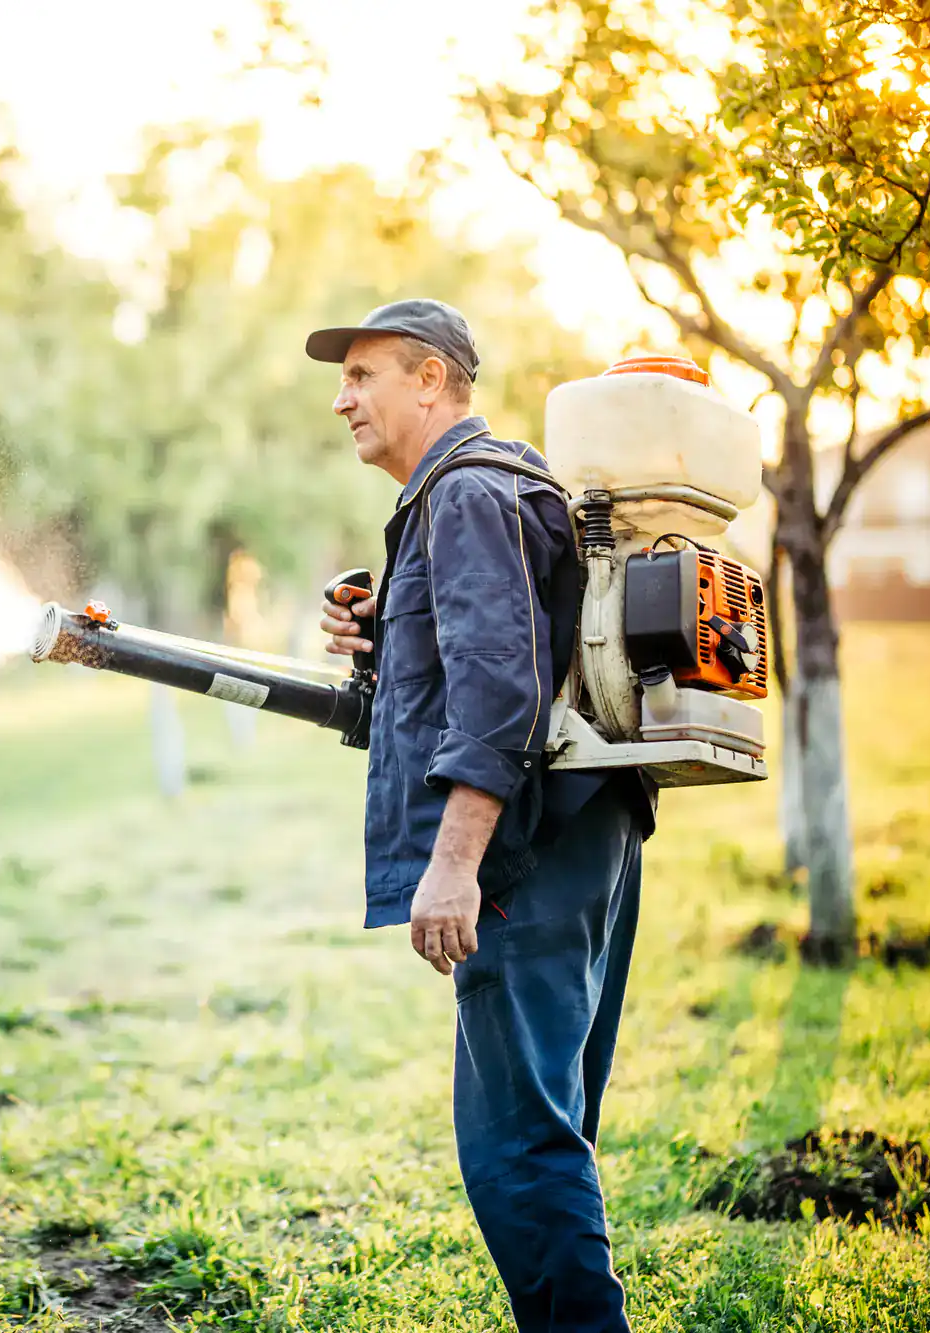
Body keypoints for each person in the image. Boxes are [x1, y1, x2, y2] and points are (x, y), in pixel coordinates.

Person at [309, 299, 654, 1332]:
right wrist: (385, 642)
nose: (340, 400)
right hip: (583, 832)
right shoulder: (490, 486)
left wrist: (453, 862)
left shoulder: (462, 492)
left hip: (522, 855)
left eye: (360, 375)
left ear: (429, 381)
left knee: (515, 1144)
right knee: (543, 1126)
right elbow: (497, 658)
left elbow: (499, 692)